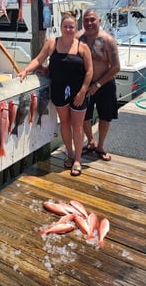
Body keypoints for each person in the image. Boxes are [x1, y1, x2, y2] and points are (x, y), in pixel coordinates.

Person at [18, 13, 93, 176]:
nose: (68, 29)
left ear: (76, 29)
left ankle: (78, 159)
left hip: (78, 92)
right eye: (65, 26)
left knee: (78, 126)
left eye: (71, 27)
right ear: (60, 27)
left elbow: (89, 71)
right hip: (59, 90)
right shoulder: (52, 43)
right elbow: (39, 59)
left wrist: (82, 91)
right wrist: (25, 70)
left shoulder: (82, 47)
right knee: (65, 123)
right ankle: (70, 154)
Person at [76, 9, 121, 161]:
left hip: (105, 84)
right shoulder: (78, 39)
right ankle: (91, 141)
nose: (89, 23)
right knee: (84, 117)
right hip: (85, 85)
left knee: (105, 116)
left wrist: (98, 84)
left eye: (92, 20)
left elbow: (116, 66)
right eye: (86, 20)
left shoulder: (108, 40)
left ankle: (100, 146)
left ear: (99, 21)